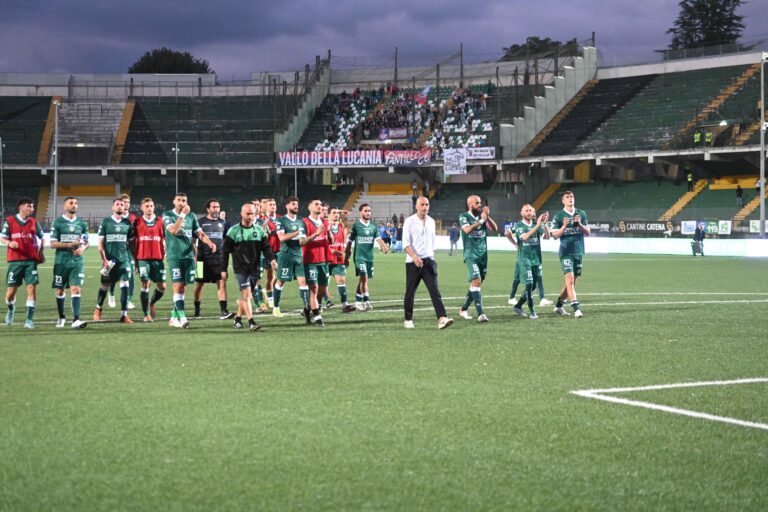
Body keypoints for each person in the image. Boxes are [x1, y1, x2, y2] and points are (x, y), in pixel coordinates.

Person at [163, 192, 217, 328]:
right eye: (179, 200)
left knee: (182, 288)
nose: (182, 202)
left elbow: (199, 233)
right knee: (178, 285)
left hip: (188, 257)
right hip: (174, 256)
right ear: (174, 202)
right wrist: (182, 215)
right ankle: (182, 317)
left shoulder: (192, 216)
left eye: (184, 200)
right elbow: (174, 231)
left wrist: (209, 242)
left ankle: (173, 317)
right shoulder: (167, 215)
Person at [222, 202, 277, 332]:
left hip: (255, 268)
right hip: (240, 269)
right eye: (247, 213)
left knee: (245, 296)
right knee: (247, 294)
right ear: (241, 214)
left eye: (252, 214)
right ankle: (252, 322)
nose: (250, 216)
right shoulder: (233, 231)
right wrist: (223, 270)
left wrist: (272, 260)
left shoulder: (259, 230)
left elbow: (266, 248)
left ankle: (238, 319)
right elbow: (224, 252)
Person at [402, 196, 453, 330]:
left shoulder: (431, 221)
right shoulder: (409, 221)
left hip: (429, 261)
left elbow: (431, 241)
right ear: (416, 207)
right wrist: (414, 257)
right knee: (410, 292)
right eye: (422, 205)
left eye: (427, 204)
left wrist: (432, 259)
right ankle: (408, 319)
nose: (425, 207)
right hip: (413, 263)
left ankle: (442, 318)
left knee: (435, 291)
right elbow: (405, 244)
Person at [2, 197, 44, 329]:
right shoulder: (10, 221)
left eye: (32, 207)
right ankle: (11, 309)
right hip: (15, 261)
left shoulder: (34, 222)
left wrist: (41, 252)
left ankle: (29, 320)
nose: (32, 209)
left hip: (30, 261)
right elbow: (2, 237)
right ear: (21, 208)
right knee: (10, 293)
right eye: (29, 206)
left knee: (31, 288)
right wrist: (9, 242)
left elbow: (43, 237)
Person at [93, 197, 135, 323]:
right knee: (105, 286)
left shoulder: (127, 223)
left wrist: (133, 259)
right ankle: (98, 308)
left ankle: (124, 315)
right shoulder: (105, 222)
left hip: (123, 260)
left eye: (122, 205)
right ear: (113, 207)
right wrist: (104, 260)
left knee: (125, 285)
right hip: (109, 261)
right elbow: (100, 243)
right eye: (117, 204)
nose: (120, 206)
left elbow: (131, 243)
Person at [50, 196, 89, 329]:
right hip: (61, 262)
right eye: (71, 203)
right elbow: (52, 244)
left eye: (76, 203)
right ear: (64, 206)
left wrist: (83, 248)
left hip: (77, 262)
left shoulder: (82, 224)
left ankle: (76, 320)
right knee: (60, 291)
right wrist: (70, 245)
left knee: (76, 288)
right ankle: (61, 317)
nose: (74, 205)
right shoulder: (58, 222)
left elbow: (86, 241)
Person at [458, 195, 497, 322]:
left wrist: (487, 217)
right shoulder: (464, 216)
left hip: (483, 255)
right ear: (470, 205)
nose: (480, 205)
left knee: (476, 284)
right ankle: (481, 314)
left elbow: (496, 229)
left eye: (480, 203)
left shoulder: (483, 217)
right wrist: (481, 221)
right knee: (477, 281)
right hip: (471, 255)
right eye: (477, 203)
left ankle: (463, 309)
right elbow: (468, 230)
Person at [551, 191, 590, 318]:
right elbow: (555, 236)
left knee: (572, 282)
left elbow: (588, 232)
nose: (570, 199)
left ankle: (558, 306)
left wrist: (580, 224)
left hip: (578, 251)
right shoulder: (558, 216)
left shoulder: (581, 213)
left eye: (572, 196)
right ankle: (576, 308)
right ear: (563, 201)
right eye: (567, 197)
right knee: (570, 279)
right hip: (565, 252)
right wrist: (563, 226)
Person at [193, 199, 233, 319]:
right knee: (199, 284)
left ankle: (224, 311)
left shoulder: (223, 223)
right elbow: (193, 241)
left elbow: (226, 240)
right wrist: (195, 256)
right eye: (214, 207)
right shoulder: (200, 222)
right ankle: (197, 310)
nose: (216, 209)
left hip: (219, 259)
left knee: (221, 283)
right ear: (208, 209)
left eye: (218, 207)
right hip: (202, 258)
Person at [345, 203, 390, 311]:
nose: (367, 213)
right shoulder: (356, 226)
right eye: (365, 211)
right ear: (360, 212)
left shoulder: (373, 226)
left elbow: (378, 238)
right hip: (359, 257)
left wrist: (383, 246)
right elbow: (349, 242)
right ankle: (366, 301)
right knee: (364, 277)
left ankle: (358, 302)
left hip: (369, 257)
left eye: (369, 211)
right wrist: (346, 257)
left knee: (363, 280)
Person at [510, 205, 550, 319]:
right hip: (525, 259)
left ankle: (518, 306)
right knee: (529, 284)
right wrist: (538, 225)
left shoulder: (535, 225)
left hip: (536, 259)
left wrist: (545, 224)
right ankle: (532, 311)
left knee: (533, 285)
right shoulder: (519, 225)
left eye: (531, 210)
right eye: (526, 210)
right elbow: (525, 237)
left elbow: (547, 237)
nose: (529, 212)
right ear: (521, 213)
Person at [272, 196, 308, 318]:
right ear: (287, 206)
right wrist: (298, 232)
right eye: (293, 204)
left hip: (298, 255)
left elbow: (304, 239)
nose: (296, 206)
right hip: (286, 255)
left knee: (303, 282)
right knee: (281, 281)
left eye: (297, 204)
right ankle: (276, 308)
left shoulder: (301, 220)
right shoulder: (281, 221)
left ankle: (307, 308)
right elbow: (281, 238)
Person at [133, 197, 166, 322]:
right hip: (143, 258)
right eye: (146, 206)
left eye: (151, 206)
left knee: (162, 286)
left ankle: (152, 303)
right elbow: (133, 242)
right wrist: (135, 261)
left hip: (158, 258)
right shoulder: (137, 222)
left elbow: (165, 238)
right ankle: (146, 314)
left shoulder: (160, 221)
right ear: (142, 208)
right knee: (145, 284)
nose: (149, 208)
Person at [301, 198, 333, 327]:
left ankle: (308, 310)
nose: (319, 206)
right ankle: (318, 316)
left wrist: (329, 231)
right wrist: (315, 234)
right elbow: (302, 242)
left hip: (324, 260)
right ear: (309, 207)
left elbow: (329, 241)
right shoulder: (304, 222)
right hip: (310, 261)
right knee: (313, 289)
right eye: (316, 204)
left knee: (322, 290)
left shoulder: (325, 222)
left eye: (320, 204)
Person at [108, 193, 136, 311]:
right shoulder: (113, 218)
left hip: (129, 252)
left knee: (131, 276)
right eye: (123, 202)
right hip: (115, 251)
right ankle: (112, 294)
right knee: (113, 275)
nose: (126, 205)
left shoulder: (133, 218)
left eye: (128, 202)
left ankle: (129, 299)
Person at [328, 206, 356, 313]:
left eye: (337, 213)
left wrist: (347, 257)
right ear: (328, 214)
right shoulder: (325, 225)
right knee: (322, 286)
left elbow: (344, 244)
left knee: (341, 280)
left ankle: (345, 305)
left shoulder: (341, 226)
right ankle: (315, 306)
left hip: (339, 260)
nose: (336, 214)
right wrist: (340, 210)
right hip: (326, 259)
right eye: (333, 213)